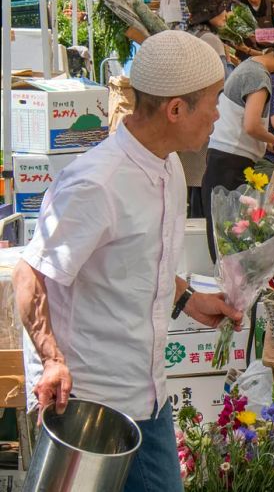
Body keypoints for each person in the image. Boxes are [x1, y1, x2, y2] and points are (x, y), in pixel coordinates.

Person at [13, 30, 243, 492]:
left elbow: (139, 262)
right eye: (214, 101)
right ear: (175, 109)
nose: (220, 114)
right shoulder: (96, 184)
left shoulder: (170, 166)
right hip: (85, 403)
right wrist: (53, 361)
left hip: (148, 396)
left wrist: (190, 300)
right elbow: (29, 273)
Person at [202, 34, 274, 261]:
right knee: (229, 240)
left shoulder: (250, 67)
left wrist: (266, 144)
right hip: (230, 162)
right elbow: (252, 125)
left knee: (225, 236)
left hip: (225, 159)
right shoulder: (258, 76)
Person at [183, 0, 234, 217]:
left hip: (189, 116)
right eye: (222, 9)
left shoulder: (189, 35)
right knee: (203, 193)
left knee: (193, 191)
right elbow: (223, 82)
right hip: (207, 116)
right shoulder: (212, 40)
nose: (226, 14)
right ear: (209, 12)